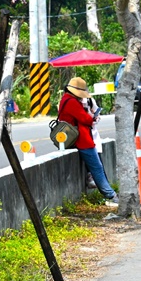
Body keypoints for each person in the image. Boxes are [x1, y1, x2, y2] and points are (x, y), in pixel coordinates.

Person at [58, 77, 117, 205]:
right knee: (97, 168)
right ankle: (110, 195)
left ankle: (110, 194)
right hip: (82, 140)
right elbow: (86, 120)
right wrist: (91, 117)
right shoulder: (72, 102)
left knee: (97, 167)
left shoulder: (64, 99)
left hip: (76, 138)